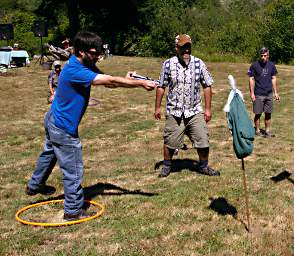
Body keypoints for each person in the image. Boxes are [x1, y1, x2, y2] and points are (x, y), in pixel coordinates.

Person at [26, 31, 156, 221]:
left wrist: (130, 79)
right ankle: (72, 211)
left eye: (98, 53)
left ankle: (35, 185)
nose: (97, 57)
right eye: (93, 53)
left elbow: (108, 81)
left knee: (50, 152)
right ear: (79, 51)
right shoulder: (74, 70)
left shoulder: (83, 64)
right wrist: (141, 84)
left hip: (53, 118)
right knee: (73, 168)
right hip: (63, 126)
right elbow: (109, 81)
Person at [154, 34, 219, 178]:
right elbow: (161, 86)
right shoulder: (168, 64)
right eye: (183, 48)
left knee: (203, 140)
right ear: (177, 48)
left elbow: (207, 86)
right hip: (174, 111)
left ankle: (204, 166)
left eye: (188, 47)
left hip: (194, 111)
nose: (186, 51)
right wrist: (157, 107)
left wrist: (208, 109)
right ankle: (167, 166)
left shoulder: (199, 63)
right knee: (170, 141)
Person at [248, 47, 280, 137]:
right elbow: (251, 79)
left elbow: (273, 78)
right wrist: (252, 93)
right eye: (261, 55)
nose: (263, 57)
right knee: (258, 113)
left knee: (268, 113)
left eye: (265, 55)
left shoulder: (271, 65)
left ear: (268, 56)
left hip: (269, 93)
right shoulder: (254, 65)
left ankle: (267, 131)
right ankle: (257, 131)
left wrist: (276, 92)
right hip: (258, 93)